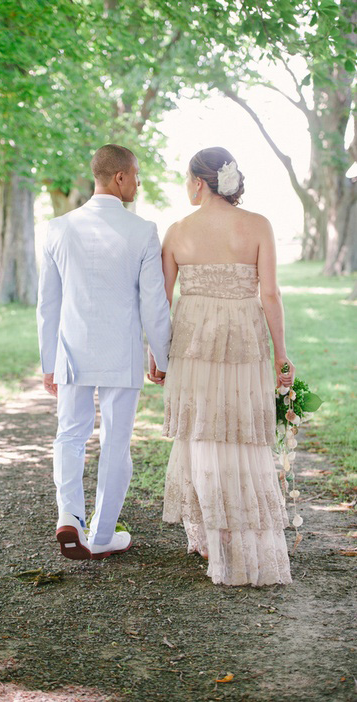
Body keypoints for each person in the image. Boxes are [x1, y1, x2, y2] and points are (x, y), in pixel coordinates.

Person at [153, 147, 294, 586]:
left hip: (194, 343)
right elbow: (269, 294)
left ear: (199, 182)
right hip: (243, 340)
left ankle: (215, 540)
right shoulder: (258, 226)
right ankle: (239, 541)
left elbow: (161, 301)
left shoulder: (177, 232)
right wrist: (281, 354)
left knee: (202, 432)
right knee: (240, 432)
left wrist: (157, 355)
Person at [37, 144, 171, 561]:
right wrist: (161, 356)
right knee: (116, 442)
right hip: (122, 353)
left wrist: (48, 364)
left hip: (72, 352)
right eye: (135, 175)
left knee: (70, 435)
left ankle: (69, 516)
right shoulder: (143, 230)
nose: (138, 182)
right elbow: (154, 302)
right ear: (119, 177)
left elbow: (48, 305)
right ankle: (100, 535)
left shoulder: (58, 229)